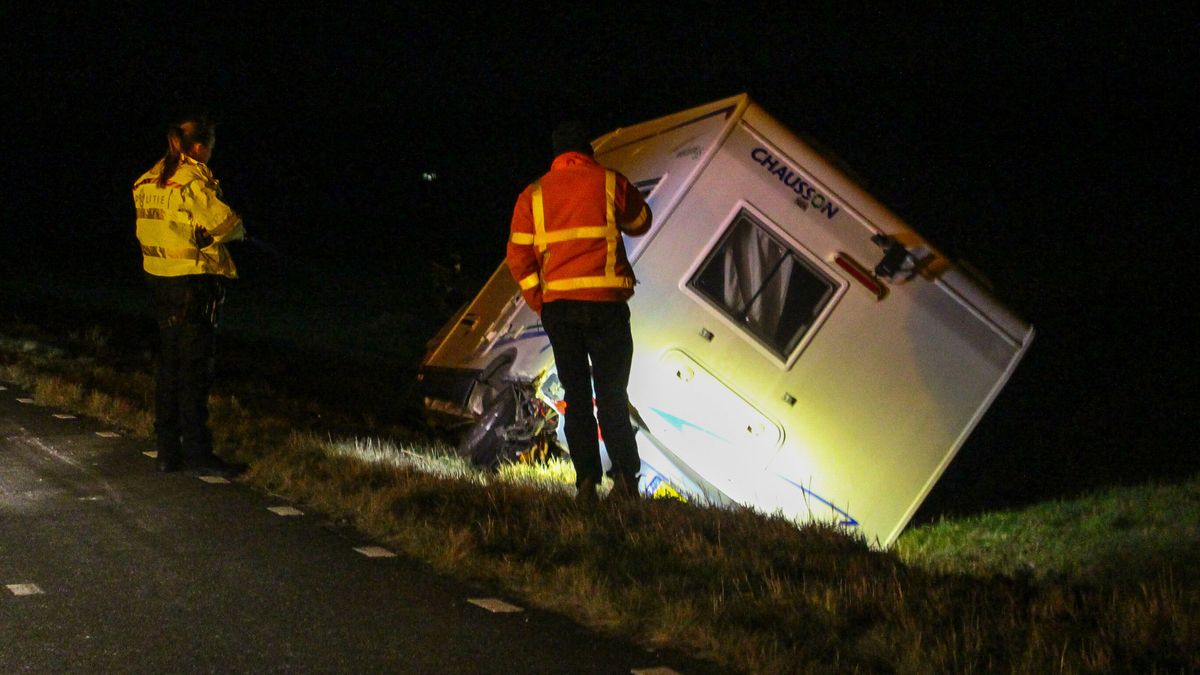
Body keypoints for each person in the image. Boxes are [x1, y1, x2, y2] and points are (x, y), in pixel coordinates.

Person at [506, 121, 653, 504]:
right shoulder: (608, 181)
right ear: (587, 153)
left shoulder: (532, 195)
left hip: (560, 310)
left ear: (556, 158)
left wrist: (540, 299)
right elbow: (641, 222)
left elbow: (518, 257)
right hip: (606, 306)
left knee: (576, 394)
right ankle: (625, 481)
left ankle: (586, 481)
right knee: (612, 395)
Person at [133, 116, 245, 476]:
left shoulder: (149, 177)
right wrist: (230, 232)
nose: (211, 153)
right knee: (194, 371)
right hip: (193, 286)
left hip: (158, 282)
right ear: (198, 146)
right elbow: (228, 226)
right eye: (210, 146)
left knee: (168, 368)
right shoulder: (191, 179)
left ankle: (167, 451)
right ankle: (198, 452)